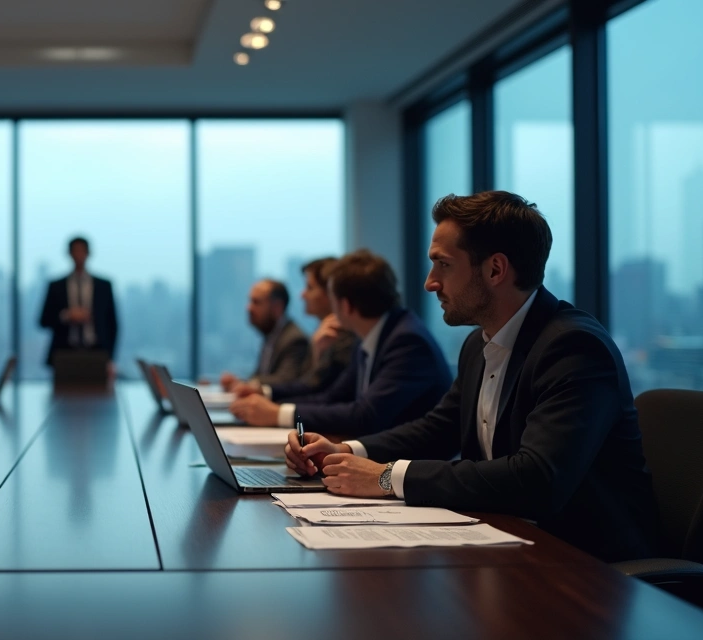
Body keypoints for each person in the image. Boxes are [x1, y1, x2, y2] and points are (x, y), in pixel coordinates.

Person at [285, 191, 660, 562]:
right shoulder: (477, 345)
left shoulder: (573, 347)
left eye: (443, 265)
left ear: (495, 270)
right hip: (508, 545)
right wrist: (347, 451)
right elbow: (438, 429)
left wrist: (386, 477)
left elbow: (538, 479)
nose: (430, 282)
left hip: (586, 568)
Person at [230, 251, 451, 434]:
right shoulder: (372, 336)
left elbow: (365, 416)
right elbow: (333, 396)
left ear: (345, 306)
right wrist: (276, 410)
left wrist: (278, 414)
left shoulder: (407, 341)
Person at [232, 257, 358, 400]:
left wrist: (276, 412)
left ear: (330, 293)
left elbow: (324, 395)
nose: (302, 294)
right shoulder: (322, 332)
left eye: (309, 288)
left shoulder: (342, 336)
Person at [38, 237, 119, 368]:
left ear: (88, 253)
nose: (78, 255)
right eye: (75, 251)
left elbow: (113, 324)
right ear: (69, 253)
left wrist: (111, 358)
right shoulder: (56, 286)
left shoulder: (103, 286)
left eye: (82, 251)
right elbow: (43, 320)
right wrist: (66, 316)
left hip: (97, 352)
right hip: (64, 352)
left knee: (97, 388)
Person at [218, 279, 309, 392]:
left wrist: (244, 384)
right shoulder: (271, 334)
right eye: (250, 301)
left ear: (277, 307)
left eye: (256, 302)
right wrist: (239, 382)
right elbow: (261, 375)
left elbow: (285, 380)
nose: (249, 308)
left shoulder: (294, 339)